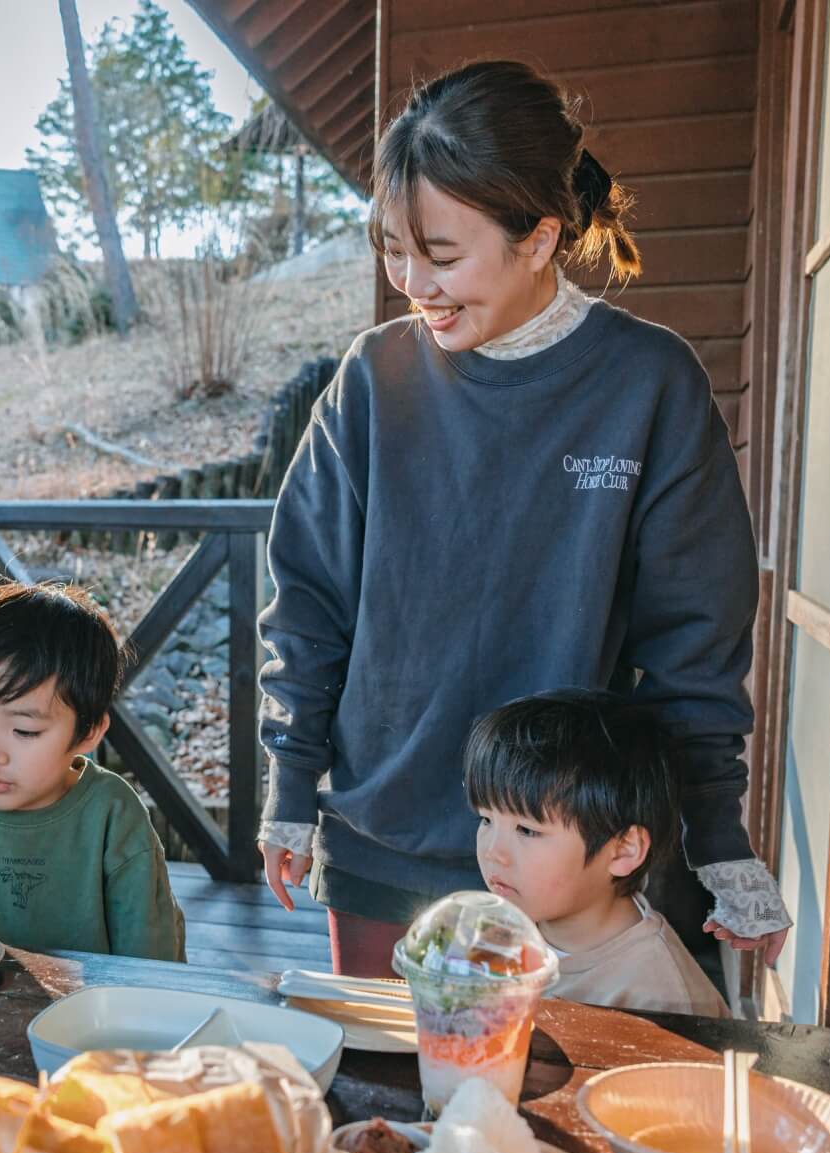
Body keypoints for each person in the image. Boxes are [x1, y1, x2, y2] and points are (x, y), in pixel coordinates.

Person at [255, 58, 791, 978]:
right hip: (384, 848)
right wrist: (290, 787)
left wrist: (717, 837)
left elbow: (694, 641)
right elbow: (307, 602)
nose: (411, 282)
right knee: (392, 1108)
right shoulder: (374, 380)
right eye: (392, 248)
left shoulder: (647, 386)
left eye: (444, 254)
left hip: (571, 877)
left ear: (540, 239)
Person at [0, 583, 186, 962]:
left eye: (25, 731)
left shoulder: (112, 815)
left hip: (89, 1016)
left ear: (88, 732)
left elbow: (151, 971)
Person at [464, 691, 727, 1017]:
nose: (493, 852)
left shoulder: (659, 996)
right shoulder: (511, 929)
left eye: (527, 830)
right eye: (486, 819)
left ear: (623, 851)